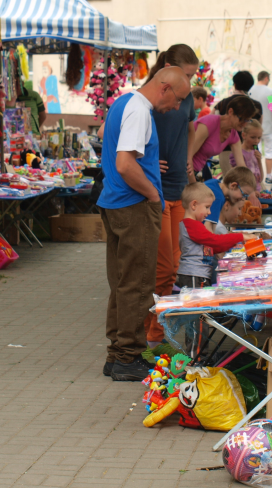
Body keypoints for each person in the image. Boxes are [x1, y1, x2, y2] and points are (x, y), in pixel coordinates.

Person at [98, 66, 191, 382]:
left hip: (116, 202)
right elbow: (125, 164)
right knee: (138, 284)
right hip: (134, 205)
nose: (176, 107)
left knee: (122, 283)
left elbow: (112, 148)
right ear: (164, 88)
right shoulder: (139, 110)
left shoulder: (124, 102)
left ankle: (117, 354)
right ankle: (128, 356)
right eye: (178, 99)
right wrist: (153, 194)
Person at [147, 44, 200, 349]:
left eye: (193, 76)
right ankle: (152, 336)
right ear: (169, 68)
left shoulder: (186, 95)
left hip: (179, 186)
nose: (189, 83)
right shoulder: (151, 96)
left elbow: (190, 129)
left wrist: (188, 157)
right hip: (157, 191)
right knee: (163, 269)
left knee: (177, 267)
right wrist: (147, 161)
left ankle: (159, 332)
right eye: (187, 75)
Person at [176, 183, 254, 289]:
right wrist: (240, 237)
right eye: (207, 207)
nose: (209, 212)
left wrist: (233, 243)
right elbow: (214, 240)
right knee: (196, 299)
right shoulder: (191, 225)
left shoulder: (195, 224)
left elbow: (212, 248)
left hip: (198, 275)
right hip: (193, 275)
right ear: (194, 205)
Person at [190, 95, 257, 179]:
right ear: (230, 112)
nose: (244, 124)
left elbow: (241, 166)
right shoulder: (209, 123)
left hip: (195, 171)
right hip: (182, 168)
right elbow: (186, 157)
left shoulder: (233, 135)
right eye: (241, 119)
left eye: (247, 120)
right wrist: (193, 182)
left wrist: (251, 182)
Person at [203, 166, 258, 231]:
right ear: (233, 186)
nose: (243, 199)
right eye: (243, 194)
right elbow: (208, 229)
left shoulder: (215, 182)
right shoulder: (218, 198)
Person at [249, 71, 272, 180]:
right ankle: (269, 176)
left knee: (256, 152)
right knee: (270, 151)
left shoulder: (250, 91)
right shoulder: (270, 91)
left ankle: (256, 176)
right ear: (266, 78)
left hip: (253, 127)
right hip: (269, 126)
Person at [229, 119, 263, 185]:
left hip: (257, 188)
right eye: (253, 137)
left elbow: (260, 179)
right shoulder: (238, 154)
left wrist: (259, 161)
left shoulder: (255, 153)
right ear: (244, 135)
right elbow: (234, 177)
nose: (256, 141)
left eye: (259, 138)